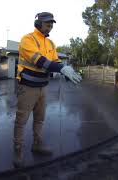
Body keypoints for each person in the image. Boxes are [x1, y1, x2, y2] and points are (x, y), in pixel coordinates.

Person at [13, 12, 82, 167]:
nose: (50, 25)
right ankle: (17, 149)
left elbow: (55, 61)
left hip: (43, 87)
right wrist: (61, 68)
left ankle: (36, 144)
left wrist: (65, 71)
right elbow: (40, 61)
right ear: (38, 23)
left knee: (40, 118)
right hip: (27, 87)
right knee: (21, 120)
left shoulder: (50, 44)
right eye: (47, 23)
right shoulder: (28, 39)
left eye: (52, 23)